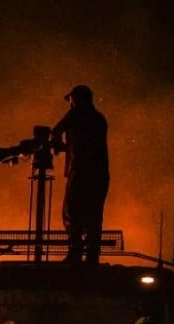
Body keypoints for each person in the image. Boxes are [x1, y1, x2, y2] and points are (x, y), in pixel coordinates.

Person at [51, 84, 110, 263]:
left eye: (71, 100)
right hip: (100, 174)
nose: (69, 103)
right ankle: (92, 256)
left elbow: (56, 131)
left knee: (72, 212)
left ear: (77, 99)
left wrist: (57, 145)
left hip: (81, 172)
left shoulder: (76, 114)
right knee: (93, 215)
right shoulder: (99, 118)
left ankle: (75, 253)